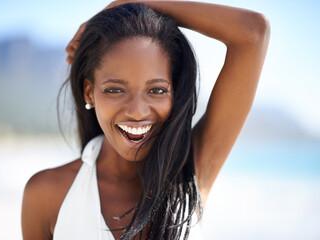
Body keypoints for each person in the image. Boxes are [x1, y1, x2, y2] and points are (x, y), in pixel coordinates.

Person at [21, 1, 270, 239]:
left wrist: (134, 2)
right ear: (89, 92)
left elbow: (253, 32)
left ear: (175, 93)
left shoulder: (192, 172)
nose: (138, 111)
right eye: (115, 90)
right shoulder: (46, 194)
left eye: (157, 90)